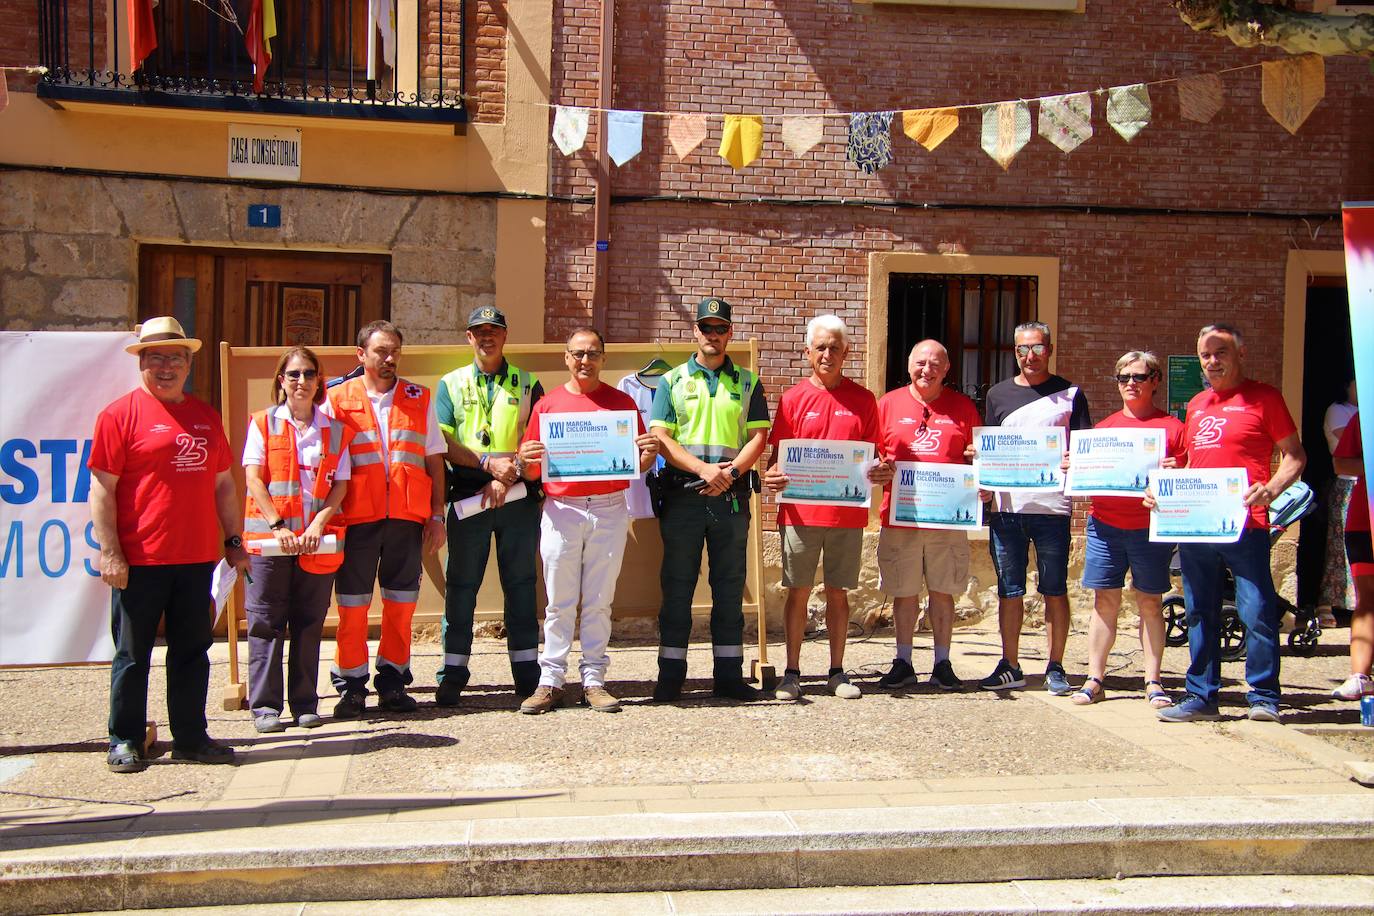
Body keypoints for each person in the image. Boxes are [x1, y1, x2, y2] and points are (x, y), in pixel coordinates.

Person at [89, 316, 249, 773]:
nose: (165, 366)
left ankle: (191, 737)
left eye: (175, 357)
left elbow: (224, 486)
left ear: (188, 363)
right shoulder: (118, 416)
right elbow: (103, 489)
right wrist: (112, 552)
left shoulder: (204, 417)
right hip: (140, 559)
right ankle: (125, 739)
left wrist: (233, 539)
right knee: (132, 655)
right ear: (140, 361)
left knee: (192, 653)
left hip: (197, 558)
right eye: (155, 357)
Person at [1158, 323, 1306, 723]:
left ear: (1241, 354)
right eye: (1205, 354)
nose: (1211, 361)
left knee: (1256, 610)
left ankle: (1263, 696)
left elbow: (1295, 456)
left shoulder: (1265, 398)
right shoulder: (1196, 404)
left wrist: (1271, 489)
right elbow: (1191, 462)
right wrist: (1171, 479)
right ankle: (1201, 695)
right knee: (1198, 611)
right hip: (1197, 525)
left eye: (1220, 352)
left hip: (1247, 522)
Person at [515, 327, 660, 714]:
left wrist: (647, 455)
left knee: (599, 600)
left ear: (603, 359)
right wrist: (525, 458)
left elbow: (638, 465)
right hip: (562, 509)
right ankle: (551, 681)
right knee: (559, 602)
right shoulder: (547, 405)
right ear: (566, 357)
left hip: (610, 506)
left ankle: (594, 679)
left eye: (592, 353)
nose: (585, 361)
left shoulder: (622, 403)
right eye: (578, 353)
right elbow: (531, 473)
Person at [764, 315, 890, 702]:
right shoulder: (792, 399)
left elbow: (876, 455)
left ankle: (837, 672)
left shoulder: (864, 399)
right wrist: (773, 476)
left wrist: (882, 470)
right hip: (801, 515)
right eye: (820, 347)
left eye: (835, 347)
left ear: (846, 352)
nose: (828, 354)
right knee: (797, 592)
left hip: (846, 516)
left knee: (839, 594)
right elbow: (776, 460)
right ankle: (792, 673)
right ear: (807, 352)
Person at [650, 296, 770, 702]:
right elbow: (662, 438)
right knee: (678, 586)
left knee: (729, 585)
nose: (713, 335)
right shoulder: (671, 381)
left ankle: (729, 676)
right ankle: (670, 679)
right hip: (684, 494)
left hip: (730, 497)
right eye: (706, 328)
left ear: (730, 333)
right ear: (695, 331)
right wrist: (704, 471)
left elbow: (758, 437)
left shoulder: (749, 381)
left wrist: (731, 473)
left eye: (720, 328)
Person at [327, 321, 447, 718]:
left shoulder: (418, 397)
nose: (390, 357)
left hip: (406, 518)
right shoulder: (336, 399)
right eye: (381, 350)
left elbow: (433, 458)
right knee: (353, 605)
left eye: (395, 350)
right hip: (356, 517)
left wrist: (436, 514)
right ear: (360, 355)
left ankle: (394, 681)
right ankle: (351, 685)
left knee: (401, 603)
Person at [434, 306, 545, 704]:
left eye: (494, 331)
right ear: (468, 337)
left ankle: (527, 673)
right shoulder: (450, 384)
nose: (487, 337)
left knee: (521, 585)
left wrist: (508, 472)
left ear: (505, 335)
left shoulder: (528, 383)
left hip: (516, 499)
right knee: (461, 588)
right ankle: (452, 673)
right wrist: (486, 466)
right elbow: (442, 442)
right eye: (479, 331)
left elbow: (536, 442)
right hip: (467, 498)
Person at [242, 347, 352, 732]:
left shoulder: (334, 430)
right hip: (272, 543)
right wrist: (278, 525)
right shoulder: (261, 423)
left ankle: (304, 703)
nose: (301, 381)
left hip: (315, 541)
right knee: (266, 623)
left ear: (319, 380)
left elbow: (340, 485)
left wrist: (320, 523)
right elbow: (254, 479)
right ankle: (266, 707)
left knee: (309, 622)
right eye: (293, 374)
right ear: (281, 380)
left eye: (308, 373)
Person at [977, 322, 1092, 694]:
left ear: (1050, 349)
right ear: (1014, 351)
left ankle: (1055, 666)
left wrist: (1075, 460)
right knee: (1009, 590)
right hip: (1007, 510)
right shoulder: (997, 395)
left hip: (1052, 509)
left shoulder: (1071, 394)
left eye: (1038, 348)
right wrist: (982, 478)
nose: (1030, 356)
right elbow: (988, 451)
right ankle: (1009, 664)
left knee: (1054, 588)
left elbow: (1086, 450)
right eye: (1023, 349)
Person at [1072, 351, 1186, 708]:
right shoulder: (1103, 430)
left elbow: (1191, 476)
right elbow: (1084, 477)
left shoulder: (1174, 429)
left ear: (1155, 380)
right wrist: (1072, 465)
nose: (1131, 384)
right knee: (1104, 601)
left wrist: (1178, 470)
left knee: (1150, 603)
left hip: (1149, 528)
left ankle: (1153, 681)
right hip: (1105, 525)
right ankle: (1094, 678)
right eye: (1123, 378)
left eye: (1139, 377)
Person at [873, 340, 982, 692]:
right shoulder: (886, 405)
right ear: (908, 366)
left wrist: (977, 462)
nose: (927, 369)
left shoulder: (963, 408)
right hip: (901, 515)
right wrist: (877, 469)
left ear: (947, 369)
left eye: (935, 364)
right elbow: (869, 456)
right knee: (904, 591)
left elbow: (978, 460)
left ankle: (942, 663)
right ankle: (903, 661)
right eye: (921, 362)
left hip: (947, 519)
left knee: (943, 590)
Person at [1330, 413, 1372, 701]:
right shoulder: (1365, 414)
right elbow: (1342, 462)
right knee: (1367, 599)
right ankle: (1360, 676)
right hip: (1363, 519)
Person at [1318, 377, 1358, 626]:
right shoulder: (1338, 410)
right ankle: (1326, 603)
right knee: (1341, 544)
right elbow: (1352, 445)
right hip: (1348, 483)